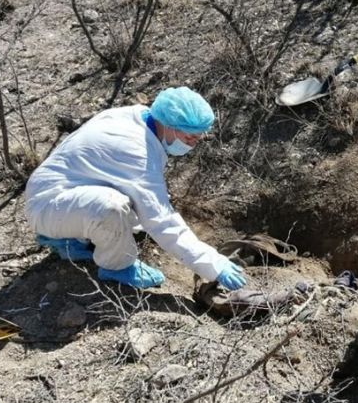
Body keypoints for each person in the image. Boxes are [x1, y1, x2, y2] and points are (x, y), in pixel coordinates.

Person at [25, 87, 246, 291]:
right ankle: (116, 267)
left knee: (133, 207)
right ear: (169, 126)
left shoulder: (138, 116)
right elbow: (162, 222)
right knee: (113, 207)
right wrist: (214, 264)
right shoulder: (136, 152)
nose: (192, 144)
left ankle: (70, 236)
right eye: (188, 137)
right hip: (49, 204)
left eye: (198, 137)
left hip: (60, 190)